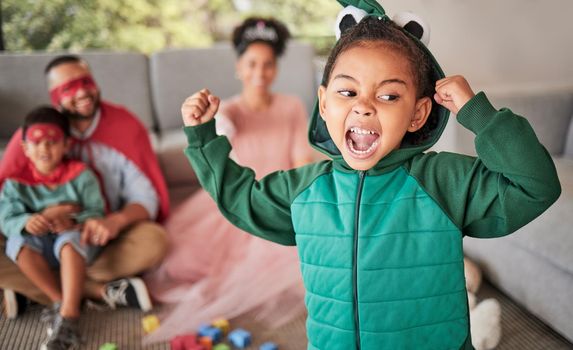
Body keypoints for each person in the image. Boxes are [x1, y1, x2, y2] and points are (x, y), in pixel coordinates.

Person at [178, 2, 561, 349]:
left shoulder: (443, 181)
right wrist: (202, 138)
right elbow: (238, 198)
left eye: (389, 96)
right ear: (324, 105)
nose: (363, 107)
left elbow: (536, 185)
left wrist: (478, 114)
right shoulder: (306, 190)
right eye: (347, 92)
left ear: (418, 113)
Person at [143, 17, 315, 342]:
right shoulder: (230, 111)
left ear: (276, 69)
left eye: (267, 65)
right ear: (239, 67)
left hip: (276, 195)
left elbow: (301, 160)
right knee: (181, 261)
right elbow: (217, 144)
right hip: (243, 195)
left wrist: (294, 200)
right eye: (252, 64)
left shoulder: (291, 106)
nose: (259, 73)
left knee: (297, 265)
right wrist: (213, 121)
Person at [0, 55, 170, 318]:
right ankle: (96, 291)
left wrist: (115, 221)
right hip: (35, 236)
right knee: (14, 243)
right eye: (68, 88)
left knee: (154, 241)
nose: (81, 92)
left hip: (97, 237)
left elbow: (146, 196)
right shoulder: (37, 133)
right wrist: (40, 218)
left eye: (85, 82)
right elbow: (7, 198)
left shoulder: (125, 125)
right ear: (54, 97)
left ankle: (37, 292)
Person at [0, 107, 105, 349]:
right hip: (36, 248)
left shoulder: (81, 175)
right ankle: (60, 301)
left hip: (72, 246)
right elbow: (6, 219)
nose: (44, 149)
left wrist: (73, 218)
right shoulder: (16, 183)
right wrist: (27, 221)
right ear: (25, 148)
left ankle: (69, 315)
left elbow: (96, 212)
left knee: (70, 242)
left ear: (67, 145)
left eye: (52, 142)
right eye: (36, 143)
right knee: (16, 243)